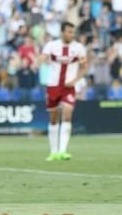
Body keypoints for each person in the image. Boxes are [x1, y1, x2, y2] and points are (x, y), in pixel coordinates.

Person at [37, 22, 87, 161]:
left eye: (73, 32)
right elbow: (43, 57)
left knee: (67, 115)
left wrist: (75, 80)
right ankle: (53, 152)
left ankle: (63, 151)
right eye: (69, 32)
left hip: (68, 87)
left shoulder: (78, 48)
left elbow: (84, 67)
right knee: (53, 119)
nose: (71, 34)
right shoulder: (52, 45)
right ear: (62, 32)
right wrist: (38, 61)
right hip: (53, 86)